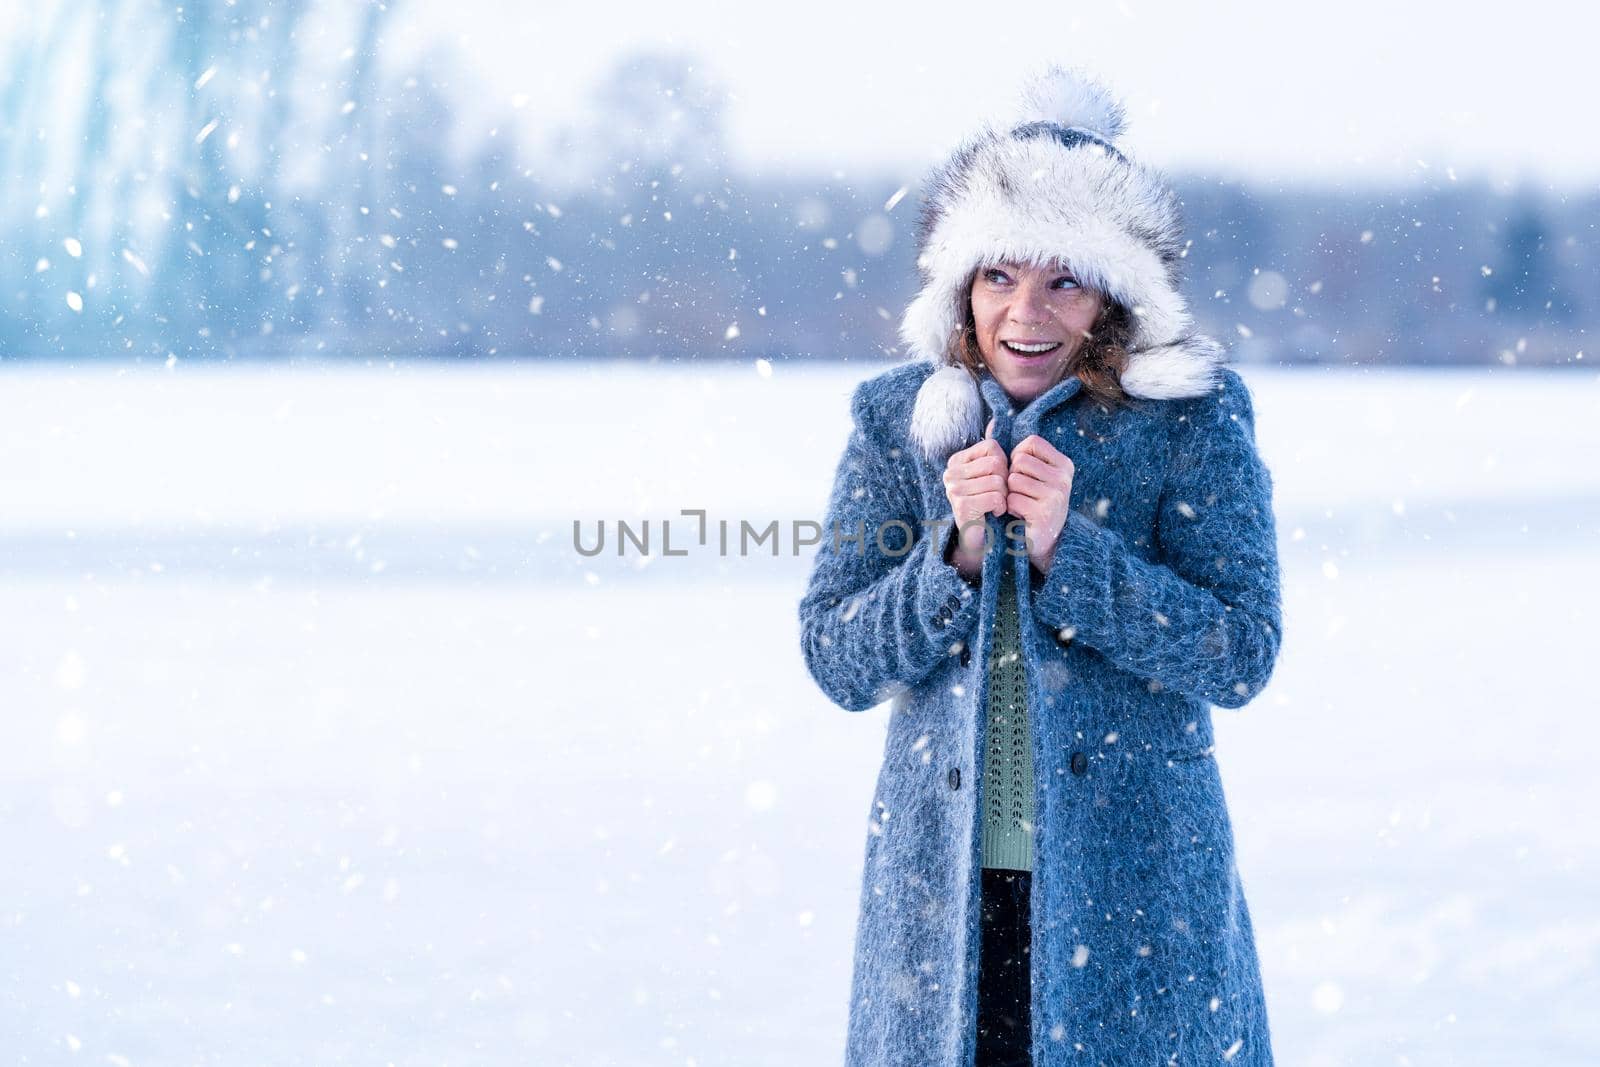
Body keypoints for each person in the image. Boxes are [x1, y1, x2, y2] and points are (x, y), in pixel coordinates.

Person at [798, 64, 1284, 1066]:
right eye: (998, 274)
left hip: (1135, 895)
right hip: (940, 904)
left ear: (1112, 297)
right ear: (960, 286)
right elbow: (836, 656)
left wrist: (1075, 552)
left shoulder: (1188, 417)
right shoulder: (898, 422)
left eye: (1063, 277)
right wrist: (956, 558)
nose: (1027, 309)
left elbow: (1239, 652)